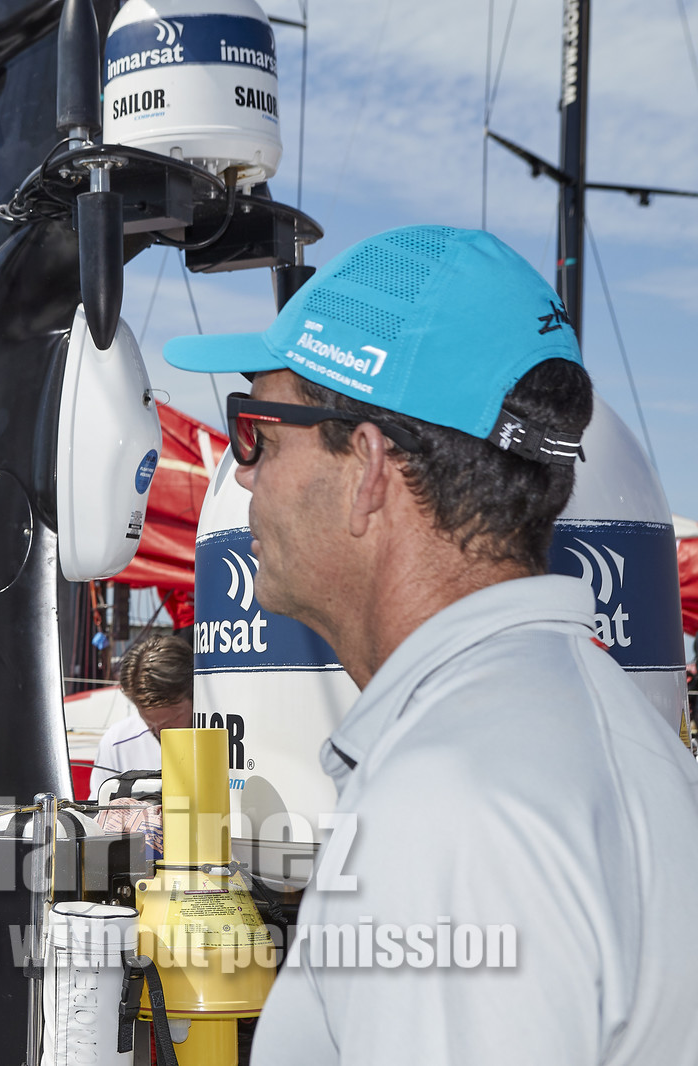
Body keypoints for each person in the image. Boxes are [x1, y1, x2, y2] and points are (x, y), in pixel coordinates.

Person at [162, 225, 698, 1064]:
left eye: (258, 428)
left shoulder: (452, 808)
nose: (244, 473)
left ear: (368, 468)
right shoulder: (596, 737)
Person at [87, 633, 194, 800]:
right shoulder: (117, 743)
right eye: (150, 723)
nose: (159, 732)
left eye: (171, 722)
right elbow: (99, 817)